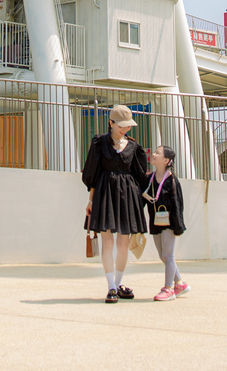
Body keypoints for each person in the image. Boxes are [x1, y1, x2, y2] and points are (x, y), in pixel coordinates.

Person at [82, 104, 150, 303]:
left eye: (128, 126)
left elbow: (140, 177)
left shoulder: (134, 147)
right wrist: (90, 200)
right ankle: (111, 286)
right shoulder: (99, 143)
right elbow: (91, 175)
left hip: (128, 196)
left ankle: (118, 283)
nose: (125, 129)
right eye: (121, 125)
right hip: (104, 194)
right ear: (111, 122)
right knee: (107, 241)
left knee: (123, 242)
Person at [147, 144, 188, 301]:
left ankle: (168, 289)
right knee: (163, 256)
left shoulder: (172, 181)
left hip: (169, 223)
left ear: (166, 160)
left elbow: (178, 205)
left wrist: (178, 226)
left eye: (157, 153)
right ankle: (180, 283)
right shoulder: (150, 178)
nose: (154, 154)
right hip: (156, 221)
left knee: (167, 255)